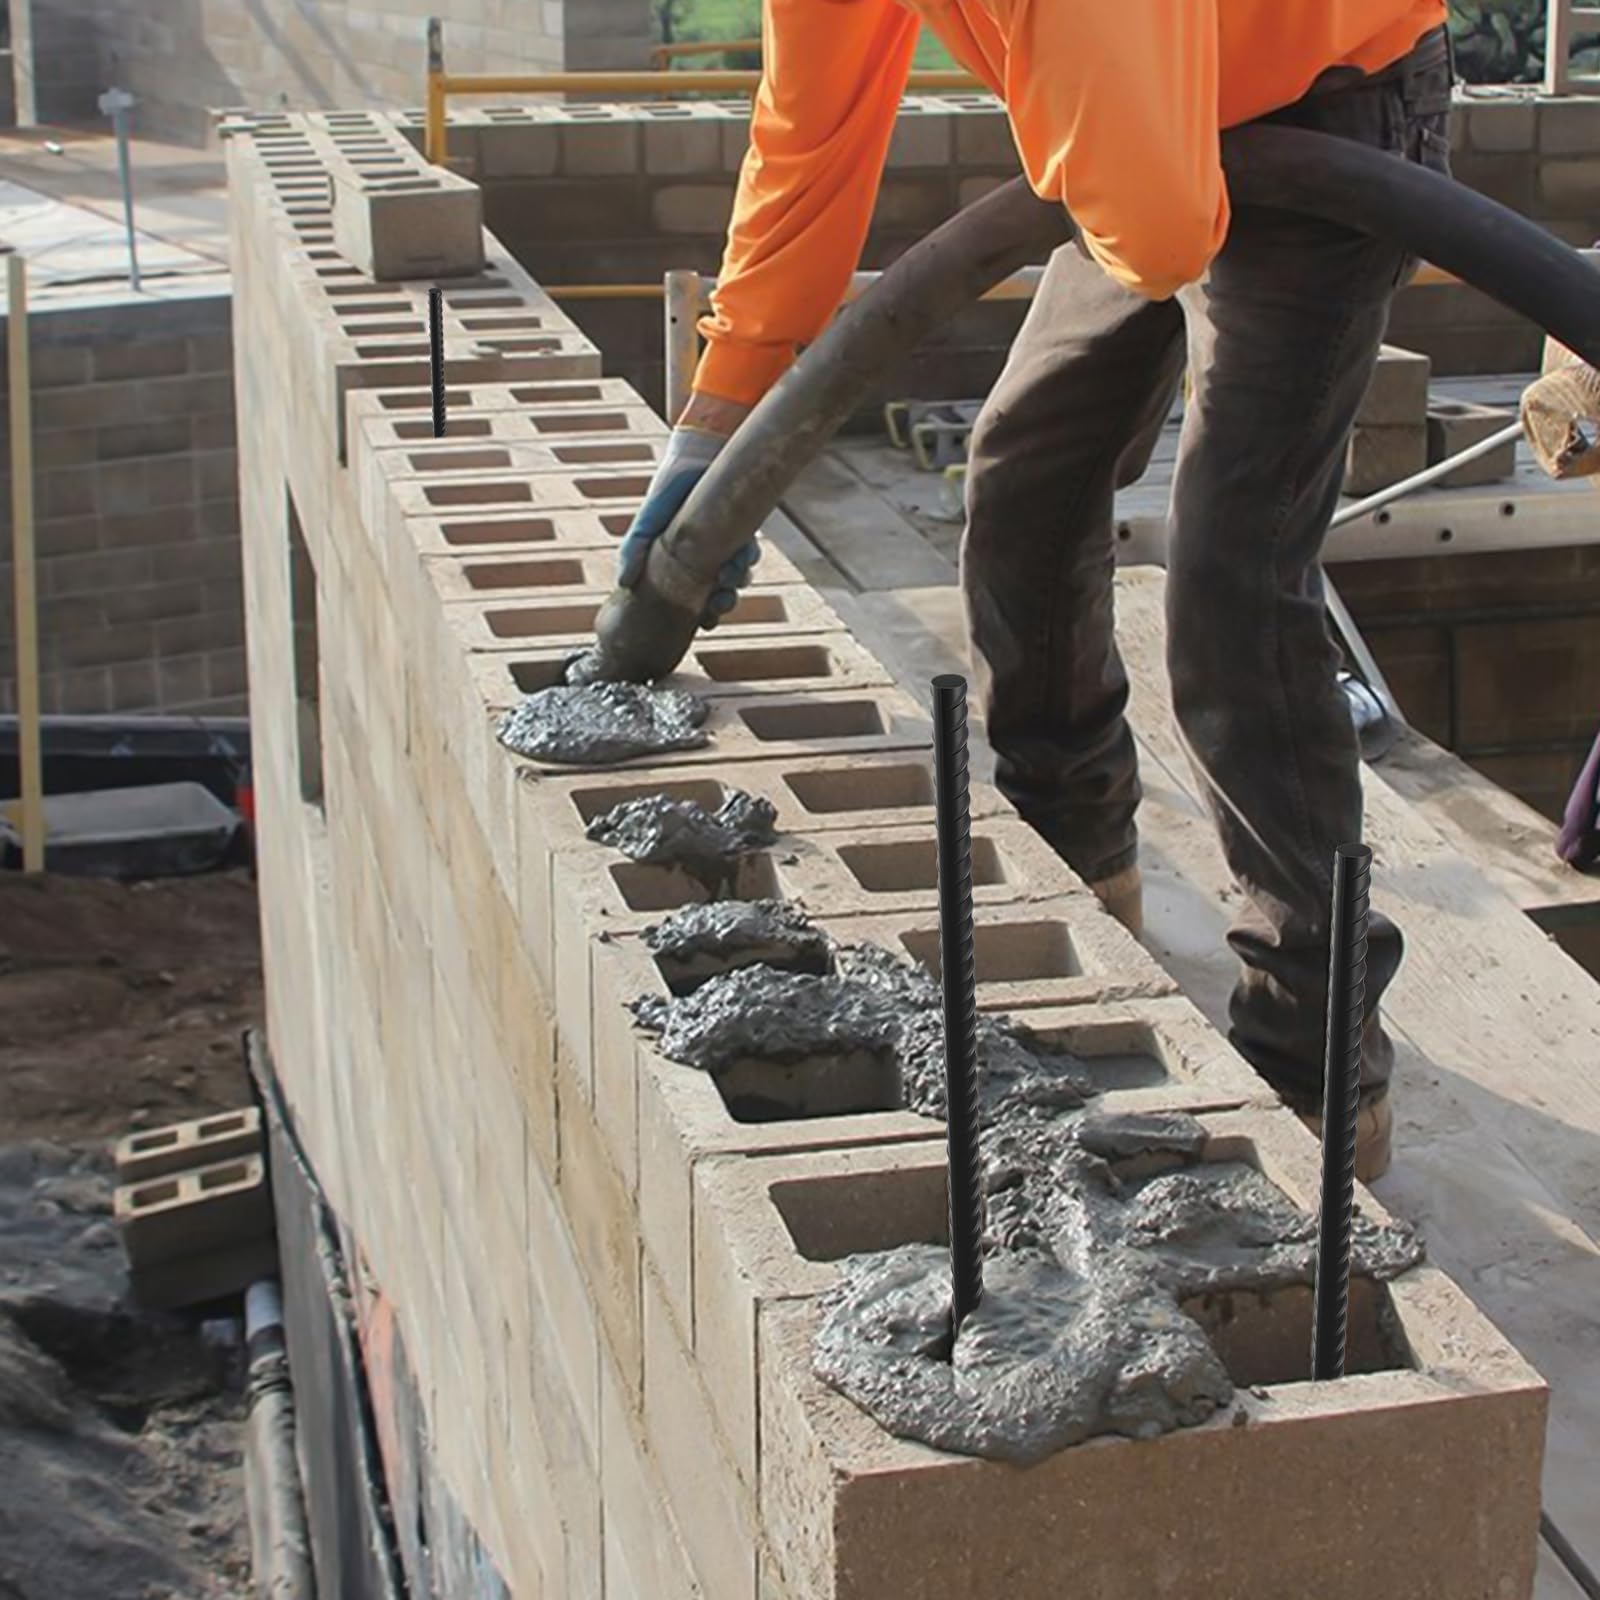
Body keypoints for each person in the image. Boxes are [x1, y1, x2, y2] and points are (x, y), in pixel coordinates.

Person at [619, 1, 1454, 1180]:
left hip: (1334, 96)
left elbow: (1158, 230)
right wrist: (714, 426)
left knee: (1229, 566)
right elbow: (807, 143)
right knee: (1024, 483)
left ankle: (1318, 1060)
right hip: (1145, 104)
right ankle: (1073, 889)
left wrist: (1119, 146)